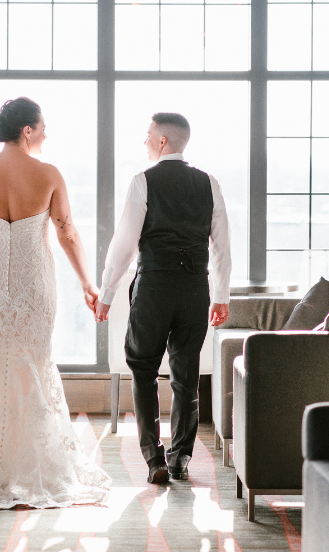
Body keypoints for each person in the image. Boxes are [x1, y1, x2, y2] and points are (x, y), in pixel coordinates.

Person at [0, 97, 111, 509]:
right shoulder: (48, 174)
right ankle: (31, 465)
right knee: (33, 363)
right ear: (27, 130)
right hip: (34, 285)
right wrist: (88, 282)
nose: (46, 134)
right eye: (42, 127)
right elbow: (67, 233)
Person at [95, 113, 231, 484]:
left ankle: (154, 459)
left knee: (143, 370)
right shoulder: (209, 183)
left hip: (154, 287)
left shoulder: (143, 181)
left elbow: (124, 245)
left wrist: (107, 292)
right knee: (186, 375)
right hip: (194, 289)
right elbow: (222, 245)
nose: (144, 141)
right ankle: (181, 458)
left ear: (162, 141)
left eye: (148, 135)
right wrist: (220, 296)